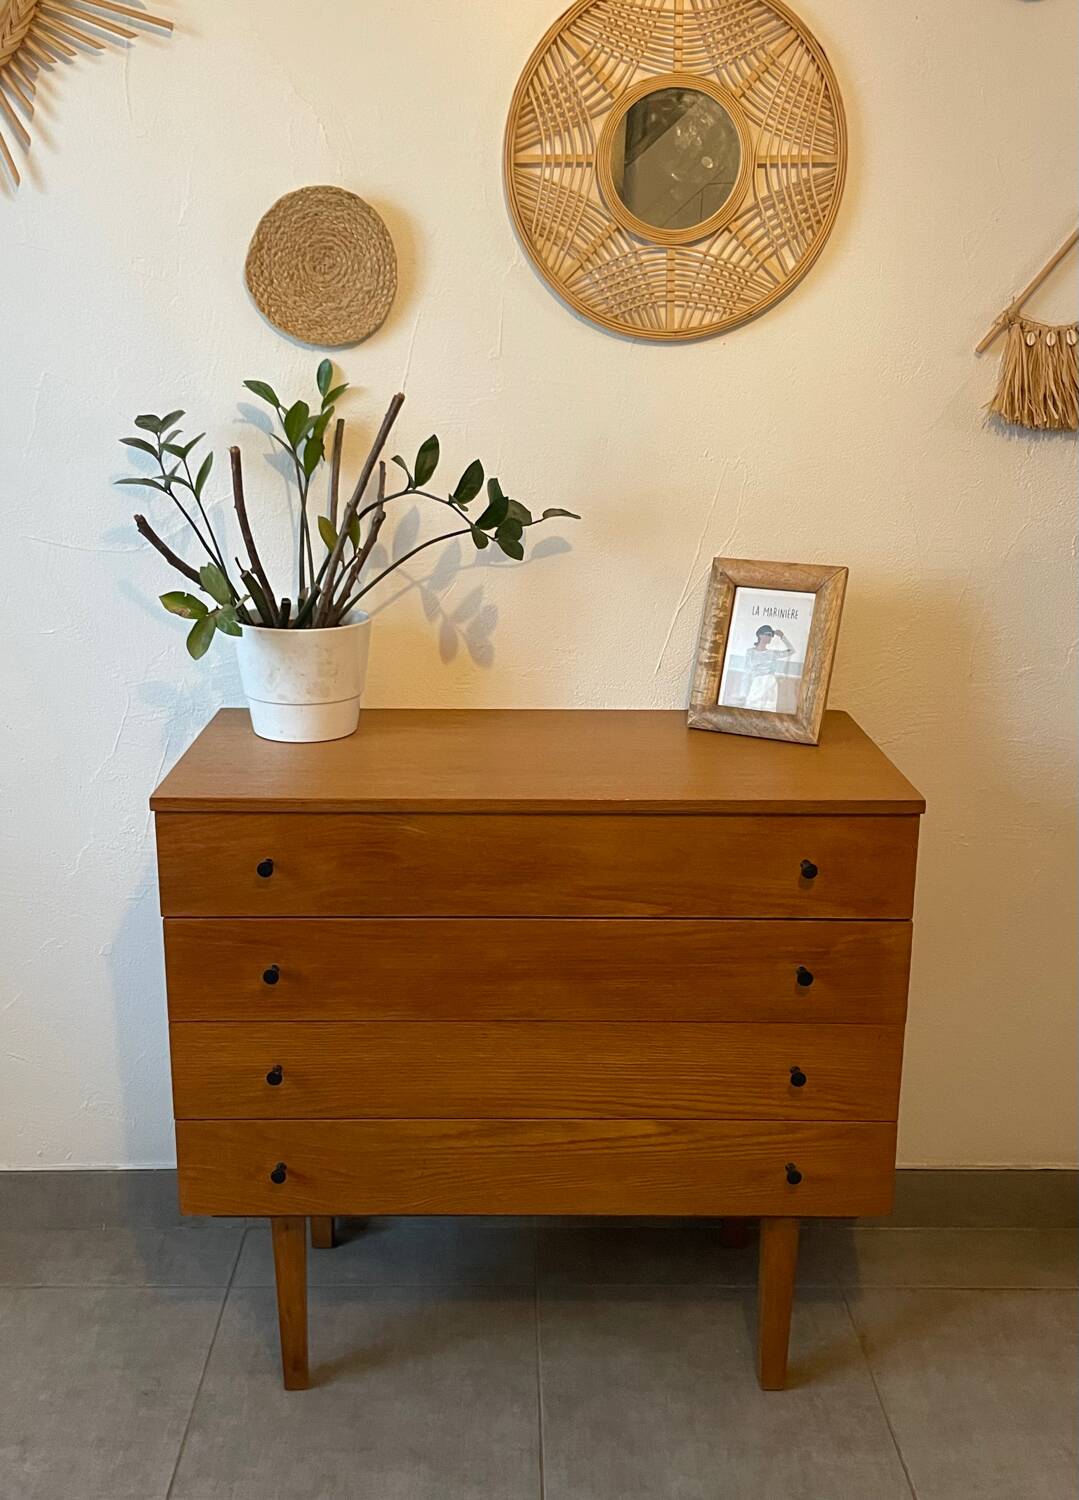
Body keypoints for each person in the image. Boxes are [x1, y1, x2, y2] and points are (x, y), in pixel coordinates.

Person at [738, 624, 794, 712]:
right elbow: (746, 673)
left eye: (771, 635)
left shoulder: (772, 653)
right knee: (751, 707)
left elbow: (792, 651)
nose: (770, 637)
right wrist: (743, 694)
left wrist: (782, 637)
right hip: (756, 683)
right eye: (768, 634)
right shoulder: (750, 652)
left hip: (770, 683)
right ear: (760, 635)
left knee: (768, 709)